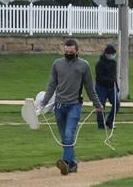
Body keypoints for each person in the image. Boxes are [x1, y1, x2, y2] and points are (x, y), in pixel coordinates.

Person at [43, 38, 103, 175]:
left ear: (77, 51)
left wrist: (97, 104)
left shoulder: (84, 66)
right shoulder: (57, 64)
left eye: (71, 52)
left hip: (74, 105)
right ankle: (73, 163)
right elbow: (52, 84)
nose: (68, 54)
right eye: (66, 52)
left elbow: (89, 88)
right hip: (59, 105)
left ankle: (65, 161)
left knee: (69, 134)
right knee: (65, 137)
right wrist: (44, 102)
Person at [95, 43, 119, 130]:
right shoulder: (100, 64)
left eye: (114, 54)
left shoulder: (114, 63)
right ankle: (101, 124)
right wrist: (109, 80)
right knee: (101, 105)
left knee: (117, 104)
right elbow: (99, 77)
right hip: (101, 87)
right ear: (106, 54)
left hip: (112, 87)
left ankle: (110, 122)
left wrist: (116, 85)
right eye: (111, 54)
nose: (113, 56)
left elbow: (114, 75)